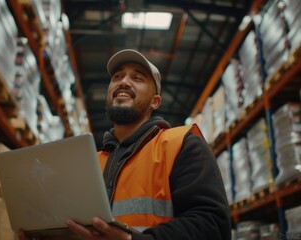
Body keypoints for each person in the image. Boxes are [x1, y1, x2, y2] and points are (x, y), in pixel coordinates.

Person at [18, 49, 231, 240]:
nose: (124, 82)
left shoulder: (181, 144)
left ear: (155, 102)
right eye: (118, 76)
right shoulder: (90, 164)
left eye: (137, 77)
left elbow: (213, 226)